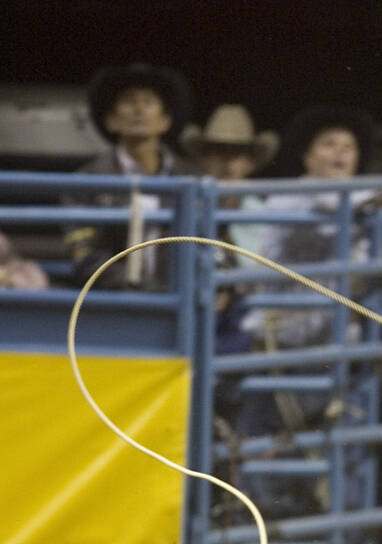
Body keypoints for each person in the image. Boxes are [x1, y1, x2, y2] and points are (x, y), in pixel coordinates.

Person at [65, 63, 196, 288]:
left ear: (165, 121)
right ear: (111, 121)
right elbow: (84, 254)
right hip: (115, 306)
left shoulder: (193, 178)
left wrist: (220, 287)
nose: (139, 110)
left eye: (148, 102)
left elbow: (216, 243)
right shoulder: (85, 182)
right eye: (128, 101)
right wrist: (138, 288)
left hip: (180, 301)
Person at [180, 104, 279, 352]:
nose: (229, 163)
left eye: (238, 154)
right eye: (219, 152)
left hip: (245, 312)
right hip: (195, 311)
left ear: (250, 162)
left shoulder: (264, 213)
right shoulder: (185, 207)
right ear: (204, 158)